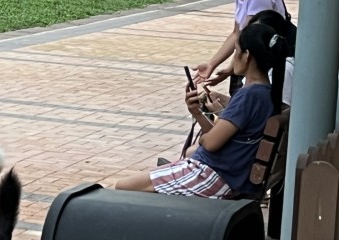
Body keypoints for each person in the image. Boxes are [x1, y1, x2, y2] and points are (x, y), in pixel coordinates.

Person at [117, 21, 288, 198]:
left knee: (123, 187)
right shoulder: (268, 94)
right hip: (225, 175)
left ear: (247, 56)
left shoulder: (248, 96)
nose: (234, 57)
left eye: (236, 51)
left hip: (212, 176)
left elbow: (211, 143)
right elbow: (219, 141)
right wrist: (198, 113)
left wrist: (206, 135)